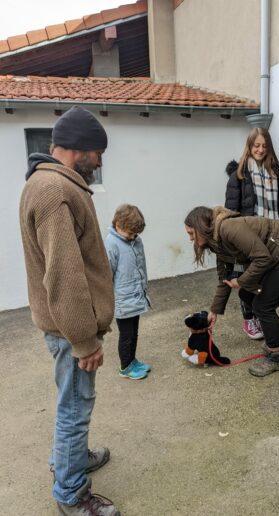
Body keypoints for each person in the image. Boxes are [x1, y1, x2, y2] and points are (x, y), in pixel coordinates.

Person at [19, 106, 120, 515]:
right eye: (99, 153)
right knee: (75, 409)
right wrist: (84, 340)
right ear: (80, 148)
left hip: (63, 325)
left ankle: (70, 461)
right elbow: (63, 275)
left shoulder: (49, 184)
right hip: (69, 330)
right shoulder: (54, 191)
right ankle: (71, 493)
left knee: (70, 402)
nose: (100, 161)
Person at [184, 206, 279, 377]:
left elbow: (262, 258)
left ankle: (276, 357)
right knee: (246, 294)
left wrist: (240, 281)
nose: (190, 239)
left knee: (263, 305)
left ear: (200, 226)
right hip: (277, 255)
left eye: (191, 233)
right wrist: (214, 311)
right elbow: (224, 277)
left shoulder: (228, 228)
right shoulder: (217, 241)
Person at [224, 127, 279, 343]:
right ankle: (249, 318)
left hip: (272, 235)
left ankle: (261, 312)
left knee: (267, 278)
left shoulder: (277, 174)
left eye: (264, 146)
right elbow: (230, 212)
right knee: (247, 277)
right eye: (256, 145)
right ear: (249, 146)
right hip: (248, 237)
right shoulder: (238, 174)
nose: (260, 149)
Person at [105, 204, 151, 380]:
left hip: (137, 295)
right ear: (118, 224)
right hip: (123, 300)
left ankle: (132, 361)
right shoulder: (111, 244)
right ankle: (125, 367)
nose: (133, 237)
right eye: (130, 233)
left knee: (134, 332)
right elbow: (107, 273)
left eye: (136, 234)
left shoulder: (136, 240)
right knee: (126, 335)